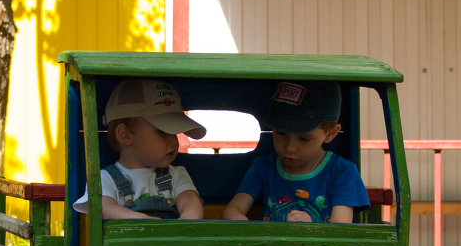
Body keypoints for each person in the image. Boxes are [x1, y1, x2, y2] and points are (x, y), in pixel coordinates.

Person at [222, 80, 369, 223]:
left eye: (304, 139)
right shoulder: (263, 167)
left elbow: (341, 230)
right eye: (280, 133)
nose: (290, 147)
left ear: (330, 134)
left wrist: (313, 228)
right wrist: (237, 219)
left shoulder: (342, 172)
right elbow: (233, 208)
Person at [72, 78, 206, 219]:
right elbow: (104, 208)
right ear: (125, 135)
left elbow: (191, 202)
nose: (173, 140)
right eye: (162, 131)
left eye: (175, 132)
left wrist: (186, 221)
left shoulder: (176, 175)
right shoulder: (104, 179)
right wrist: (143, 222)